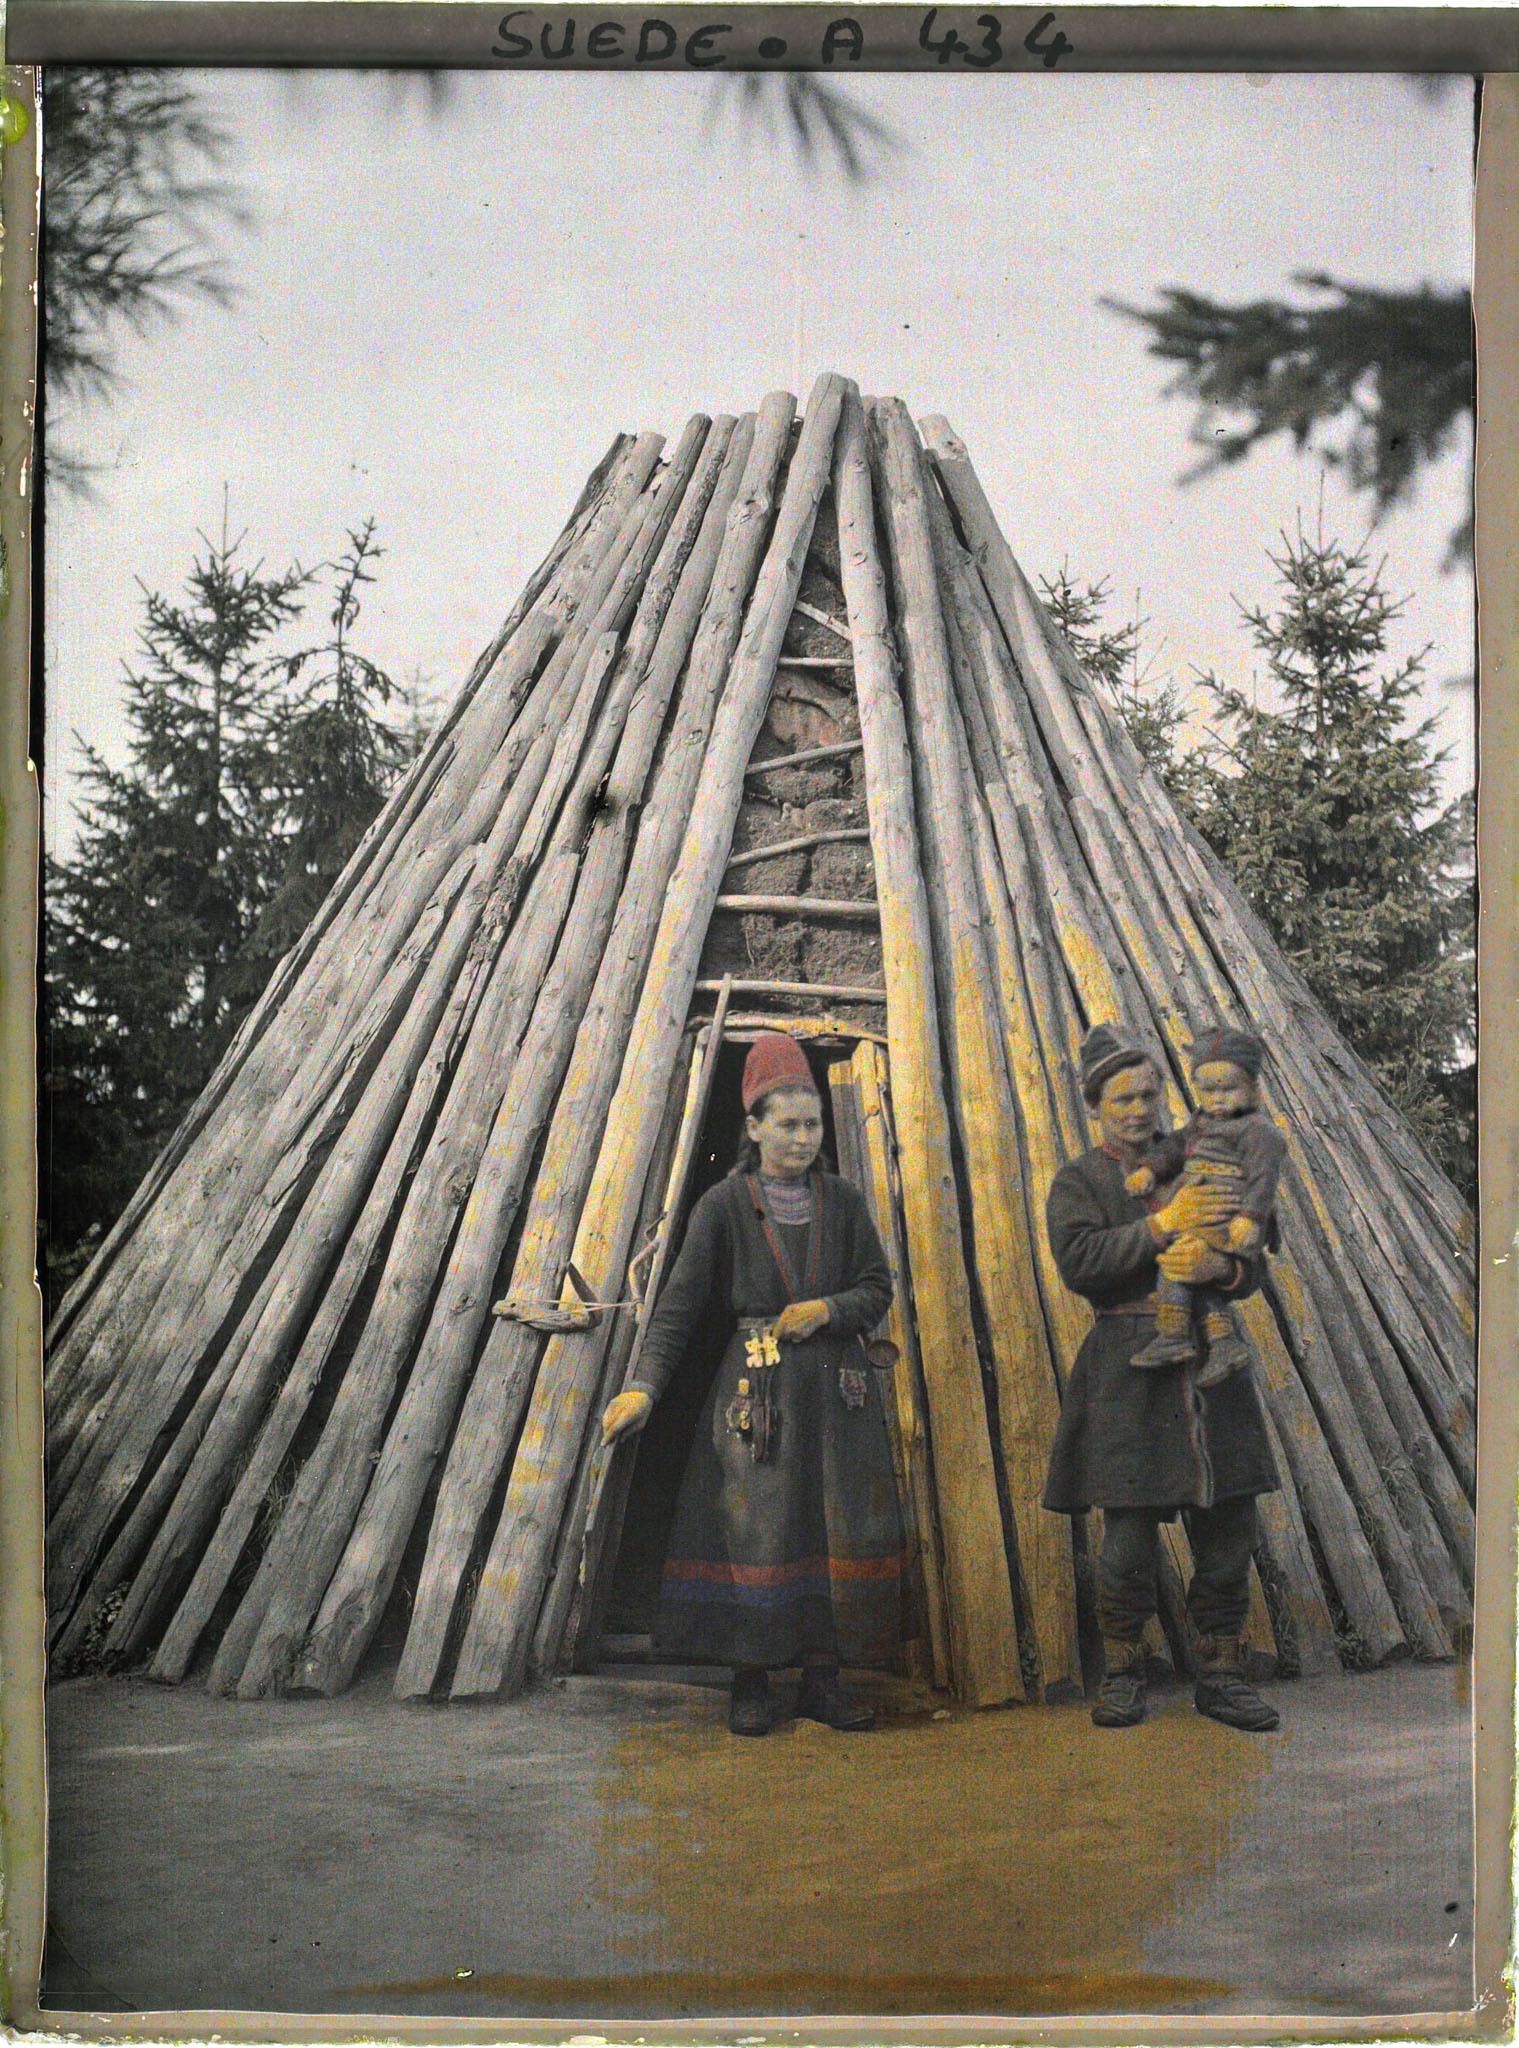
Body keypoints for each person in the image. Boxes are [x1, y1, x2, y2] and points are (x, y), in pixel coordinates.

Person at [599, 1031, 904, 1737]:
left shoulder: (844, 1201)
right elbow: (678, 1307)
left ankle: (823, 1681)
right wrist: (643, 1388)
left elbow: (876, 1286)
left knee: (831, 1525)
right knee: (753, 1528)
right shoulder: (723, 1205)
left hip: (835, 1397)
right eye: (787, 1124)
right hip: (755, 1397)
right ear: (754, 1128)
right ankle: (751, 1681)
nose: (802, 1138)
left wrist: (827, 1311)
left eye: (812, 1125)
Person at [1042, 1024, 1282, 1734]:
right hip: (1128, 1367)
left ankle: (1222, 1674)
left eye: (1148, 1094)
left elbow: (1251, 1258)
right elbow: (1081, 1265)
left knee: (1228, 1528)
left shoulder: (1205, 1154)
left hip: (1212, 1363)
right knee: (1127, 1540)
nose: (1138, 1109)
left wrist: (1222, 1267)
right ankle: (1122, 1671)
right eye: (1121, 1099)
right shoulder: (1080, 1181)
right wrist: (1162, 1226)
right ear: (1095, 1107)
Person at [1126, 1026, 1286, 1388]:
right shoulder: (1202, 1122)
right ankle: (1223, 1342)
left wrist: (1250, 1218)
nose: (1217, 1099)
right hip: (1201, 1210)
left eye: (1228, 1089)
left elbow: (1263, 1178)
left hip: (1226, 1211)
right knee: (1198, 1272)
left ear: (1253, 1088)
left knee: (1177, 1264)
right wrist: (1150, 1169)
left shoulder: (1258, 1130)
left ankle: (1172, 1336)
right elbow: (1175, 1146)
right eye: (1208, 1091)